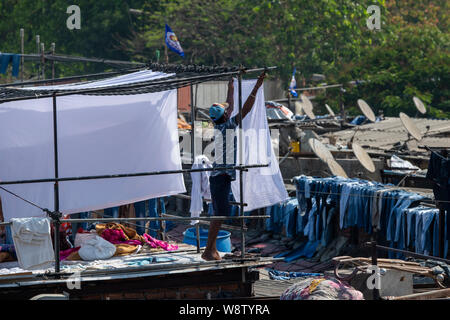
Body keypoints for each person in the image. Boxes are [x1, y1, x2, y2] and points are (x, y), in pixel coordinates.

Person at [202, 71, 266, 261]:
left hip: (219, 176)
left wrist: (230, 89)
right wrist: (256, 88)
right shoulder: (229, 125)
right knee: (220, 213)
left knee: (220, 212)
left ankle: (211, 249)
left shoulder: (219, 124)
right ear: (225, 116)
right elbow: (245, 109)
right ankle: (208, 250)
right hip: (220, 177)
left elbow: (228, 106)